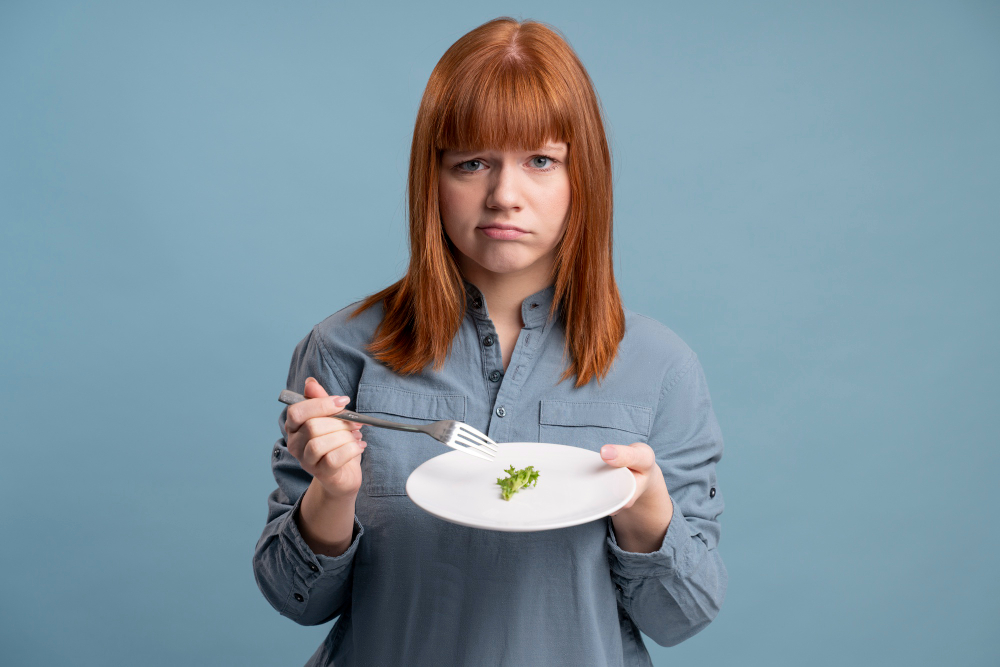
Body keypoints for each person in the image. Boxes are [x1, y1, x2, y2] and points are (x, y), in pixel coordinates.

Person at [253, 16, 727, 667]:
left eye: (540, 160)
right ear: (433, 178)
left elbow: (683, 616)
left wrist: (645, 511)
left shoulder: (661, 367)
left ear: (581, 176)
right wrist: (330, 494)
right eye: (472, 162)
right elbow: (292, 597)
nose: (505, 195)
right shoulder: (341, 350)